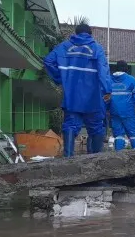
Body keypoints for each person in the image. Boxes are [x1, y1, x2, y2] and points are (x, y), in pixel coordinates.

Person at [44, 23, 111, 157]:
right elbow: (103, 72)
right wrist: (107, 90)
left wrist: (60, 78)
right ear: (90, 34)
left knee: (70, 126)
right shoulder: (96, 48)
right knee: (96, 128)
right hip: (93, 98)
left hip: (72, 96)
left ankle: (68, 158)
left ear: (76, 33)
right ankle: (96, 161)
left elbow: (48, 61)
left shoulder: (64, 46)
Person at [108, 60, 135, 151]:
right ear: (126, 68)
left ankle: (119, 156)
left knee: (118, 135)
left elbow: (105, 97)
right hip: (128, 112)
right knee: (133, 134)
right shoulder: (131, 79)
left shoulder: (109, 80)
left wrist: (107, 110)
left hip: (114, 111)